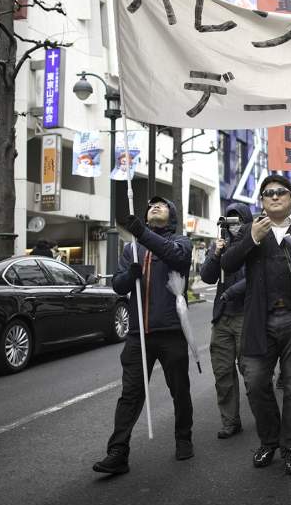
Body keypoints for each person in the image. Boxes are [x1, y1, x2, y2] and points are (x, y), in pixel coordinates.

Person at [220, 174, 291, 476]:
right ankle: (269, 440)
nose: (274, 197)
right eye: (267, 193)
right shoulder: (250, 228)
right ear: (261, 201)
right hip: (260, 321)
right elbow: (228, 264)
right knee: (256, 384)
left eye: (280, 192)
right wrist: (252, 239)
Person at [93, 196, 194, 475]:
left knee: (179, 390)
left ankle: (183, 437)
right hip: (138, 334)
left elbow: (176, 257)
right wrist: (130, 276)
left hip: (172, 331)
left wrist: (142, 233)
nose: (155, 207)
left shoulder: (181, 243)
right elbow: (118, 285)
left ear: (172, 215)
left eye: (162, 205)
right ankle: (118, 451)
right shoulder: (131, 249)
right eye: (150, 206)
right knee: (131, 394)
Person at [198, 202, 253, 439]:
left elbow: (255, 277)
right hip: (222, 317)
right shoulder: (220, 244)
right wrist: (216, 254)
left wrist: (233, 292)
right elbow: (208, 276)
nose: (233, 226)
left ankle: (266, 417)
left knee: (252, 373)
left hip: (246, 315)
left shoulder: (255, 243)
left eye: (237, 220)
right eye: (229, 221)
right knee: (222, 372)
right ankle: (230, 421)